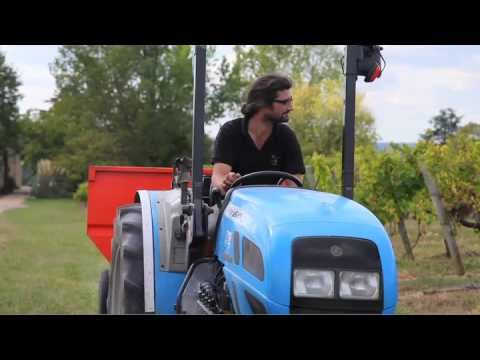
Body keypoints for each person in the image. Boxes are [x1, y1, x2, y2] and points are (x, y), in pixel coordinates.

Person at [211, 73, 305, 195]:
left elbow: (294, 181)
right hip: (235, 208)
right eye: (284, 102)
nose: (290, 107)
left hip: (273, 208)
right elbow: (218, 177)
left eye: (290, 100)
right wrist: (226, 182)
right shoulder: (230, 131)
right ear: (262, 103)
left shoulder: (286, 135)